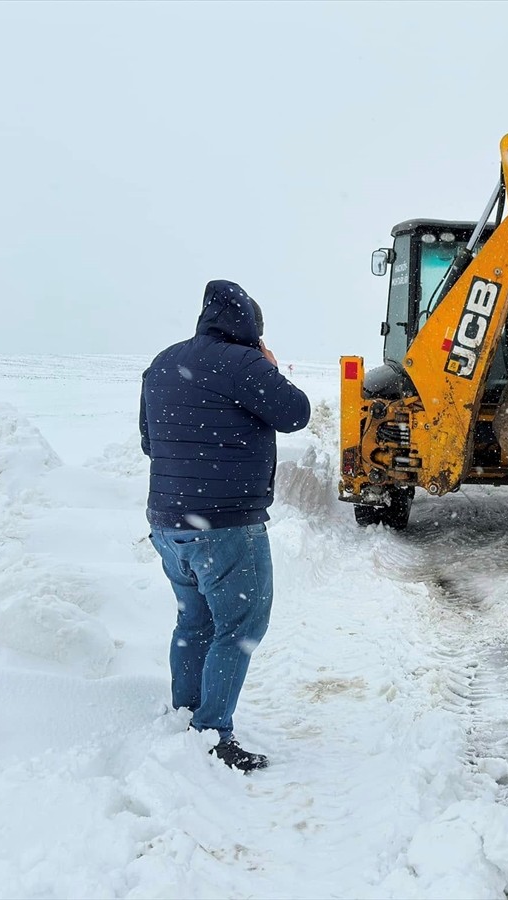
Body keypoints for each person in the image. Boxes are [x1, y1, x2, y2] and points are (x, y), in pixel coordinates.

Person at [140, 280, 310, 771]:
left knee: (194, 621)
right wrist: (269, 366)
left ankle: (187, 714)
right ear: (252, 326)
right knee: (240, 625)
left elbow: (149, 441)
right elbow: (295, 413)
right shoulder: (245, 363)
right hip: (226, 526)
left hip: (168, 523)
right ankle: (213, 733)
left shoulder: (163, 362)